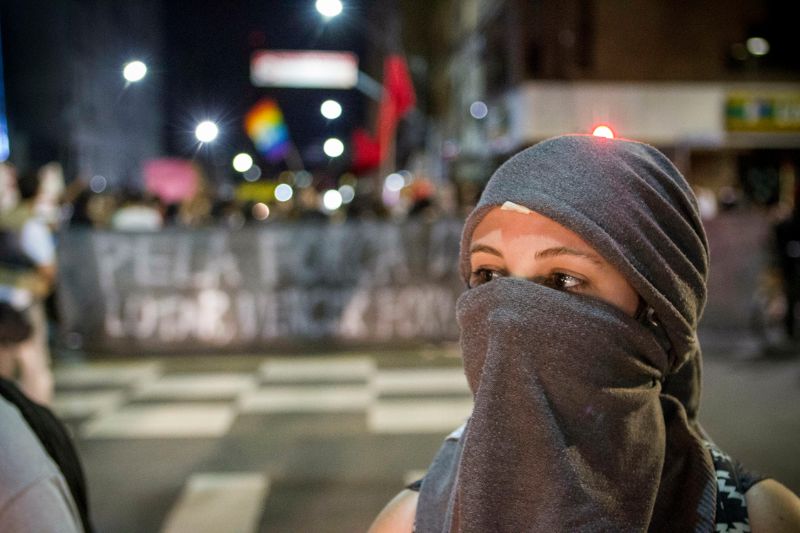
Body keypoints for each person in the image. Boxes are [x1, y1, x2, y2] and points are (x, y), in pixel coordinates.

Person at [369, 135, 800, 532]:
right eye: (490, 274)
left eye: (563, 280)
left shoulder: (761, 519)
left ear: (656, 308)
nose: (508, 315)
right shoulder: (409, 523)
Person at [0, 170, 57, 405]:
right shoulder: (33, 226)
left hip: (2, 302)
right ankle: (38, 424)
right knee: (34, 367)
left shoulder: (4, 217)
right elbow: (47, 268)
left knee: (3, 365)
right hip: (23, 301)